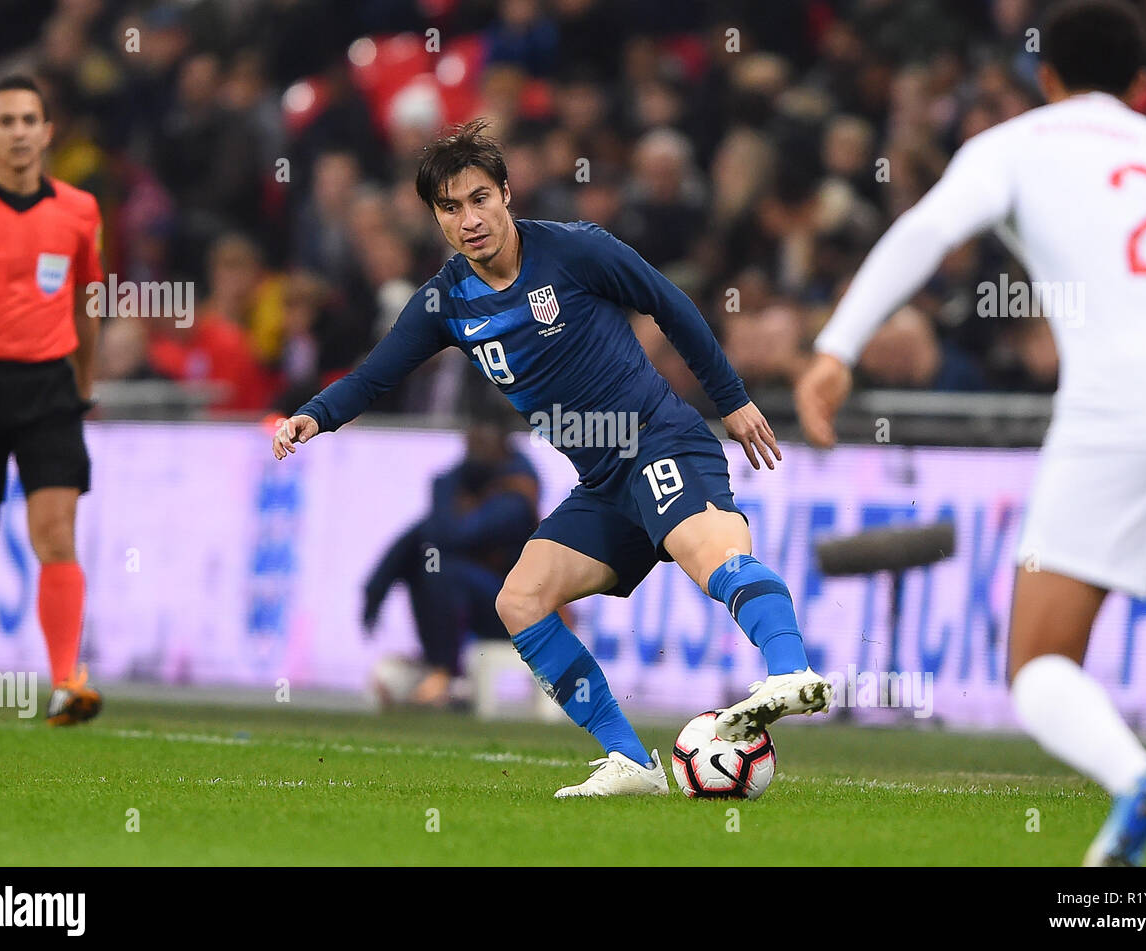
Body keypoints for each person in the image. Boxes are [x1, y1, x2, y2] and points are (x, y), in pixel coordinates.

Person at [795, 0, 1146, 865]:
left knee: (1037, 666)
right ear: (1144, 85)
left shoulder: (1018, 144)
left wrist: (836, 348)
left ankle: (1134, 776)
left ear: (1047, 76)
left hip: (1122, 403)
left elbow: (925, 229)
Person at [274, 119, 833, 797]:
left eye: (479, 198)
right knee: (522, 600)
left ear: (506, 193)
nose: (469, 219)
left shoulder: (574, 251)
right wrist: (313, 414)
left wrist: (733, 400)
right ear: (436, 219)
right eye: (449, 208)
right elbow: (374, 376)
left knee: (710, 555)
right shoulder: (445, 301)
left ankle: (789, 672)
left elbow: (669, 303)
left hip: (657, 440)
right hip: (600, 483)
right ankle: (631, 762)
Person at [0, 75, 104, 724]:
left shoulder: (79, 210)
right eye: (5, 121)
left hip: (48, 387)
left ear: (47, 130)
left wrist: (83, 383)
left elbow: (88, 300)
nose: (19, 131)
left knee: (56, 532)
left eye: (30, 118)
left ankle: (67, 682)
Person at [363, 418, 540, 707]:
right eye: (471, 442)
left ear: (502, 447)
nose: (474, 450)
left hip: (512, 606)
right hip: (472, 599)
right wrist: (377, 586)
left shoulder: (515, 494)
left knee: (441, 567)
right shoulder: (469, 480)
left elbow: (453, 535)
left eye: (482, 442)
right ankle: (436, 665)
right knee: (422, 561)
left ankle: (446, 673)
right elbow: (426, 533)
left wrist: (442, 490)